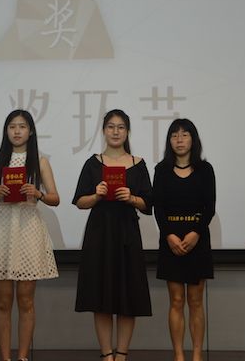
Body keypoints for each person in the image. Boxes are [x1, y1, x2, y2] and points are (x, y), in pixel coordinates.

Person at [0, 109, 59, 361]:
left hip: (28, 228)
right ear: (6, 131)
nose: (17, 131)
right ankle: (5, 357)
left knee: (26, 300)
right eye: (12, 126)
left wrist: (38, 193)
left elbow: (55, 198)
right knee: (3, 301)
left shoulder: (40, 162)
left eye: (22, 126)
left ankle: (22, 357)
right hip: (1, 228)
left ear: (30, 131)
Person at [73, 109, 152, 361]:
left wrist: (132, 198)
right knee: (101, 297)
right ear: (103, 131)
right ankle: (106, 355)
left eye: (121, 127)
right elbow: (80, 202)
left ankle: (122, 355)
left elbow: (148, 204)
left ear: (127, 131)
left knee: (129, 297)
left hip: (128, 234)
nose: (115, 132)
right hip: (100, 235)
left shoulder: (138, 164)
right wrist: (96, 195)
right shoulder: (93, 163)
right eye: (110, 126)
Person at [153, 118, 216, 361]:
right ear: (169, 141)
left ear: (193, 139)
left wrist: (195, 233)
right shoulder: (161, 170)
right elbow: (158, 208)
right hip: (171, 241)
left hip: (197, 241)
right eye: (174, 135)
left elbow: (209, 207)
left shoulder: (205, 170)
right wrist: (169, 235)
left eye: (184, 134)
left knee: (196, 301)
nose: (179, 140)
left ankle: (197, 355)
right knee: (176, 301)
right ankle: (178, 355)